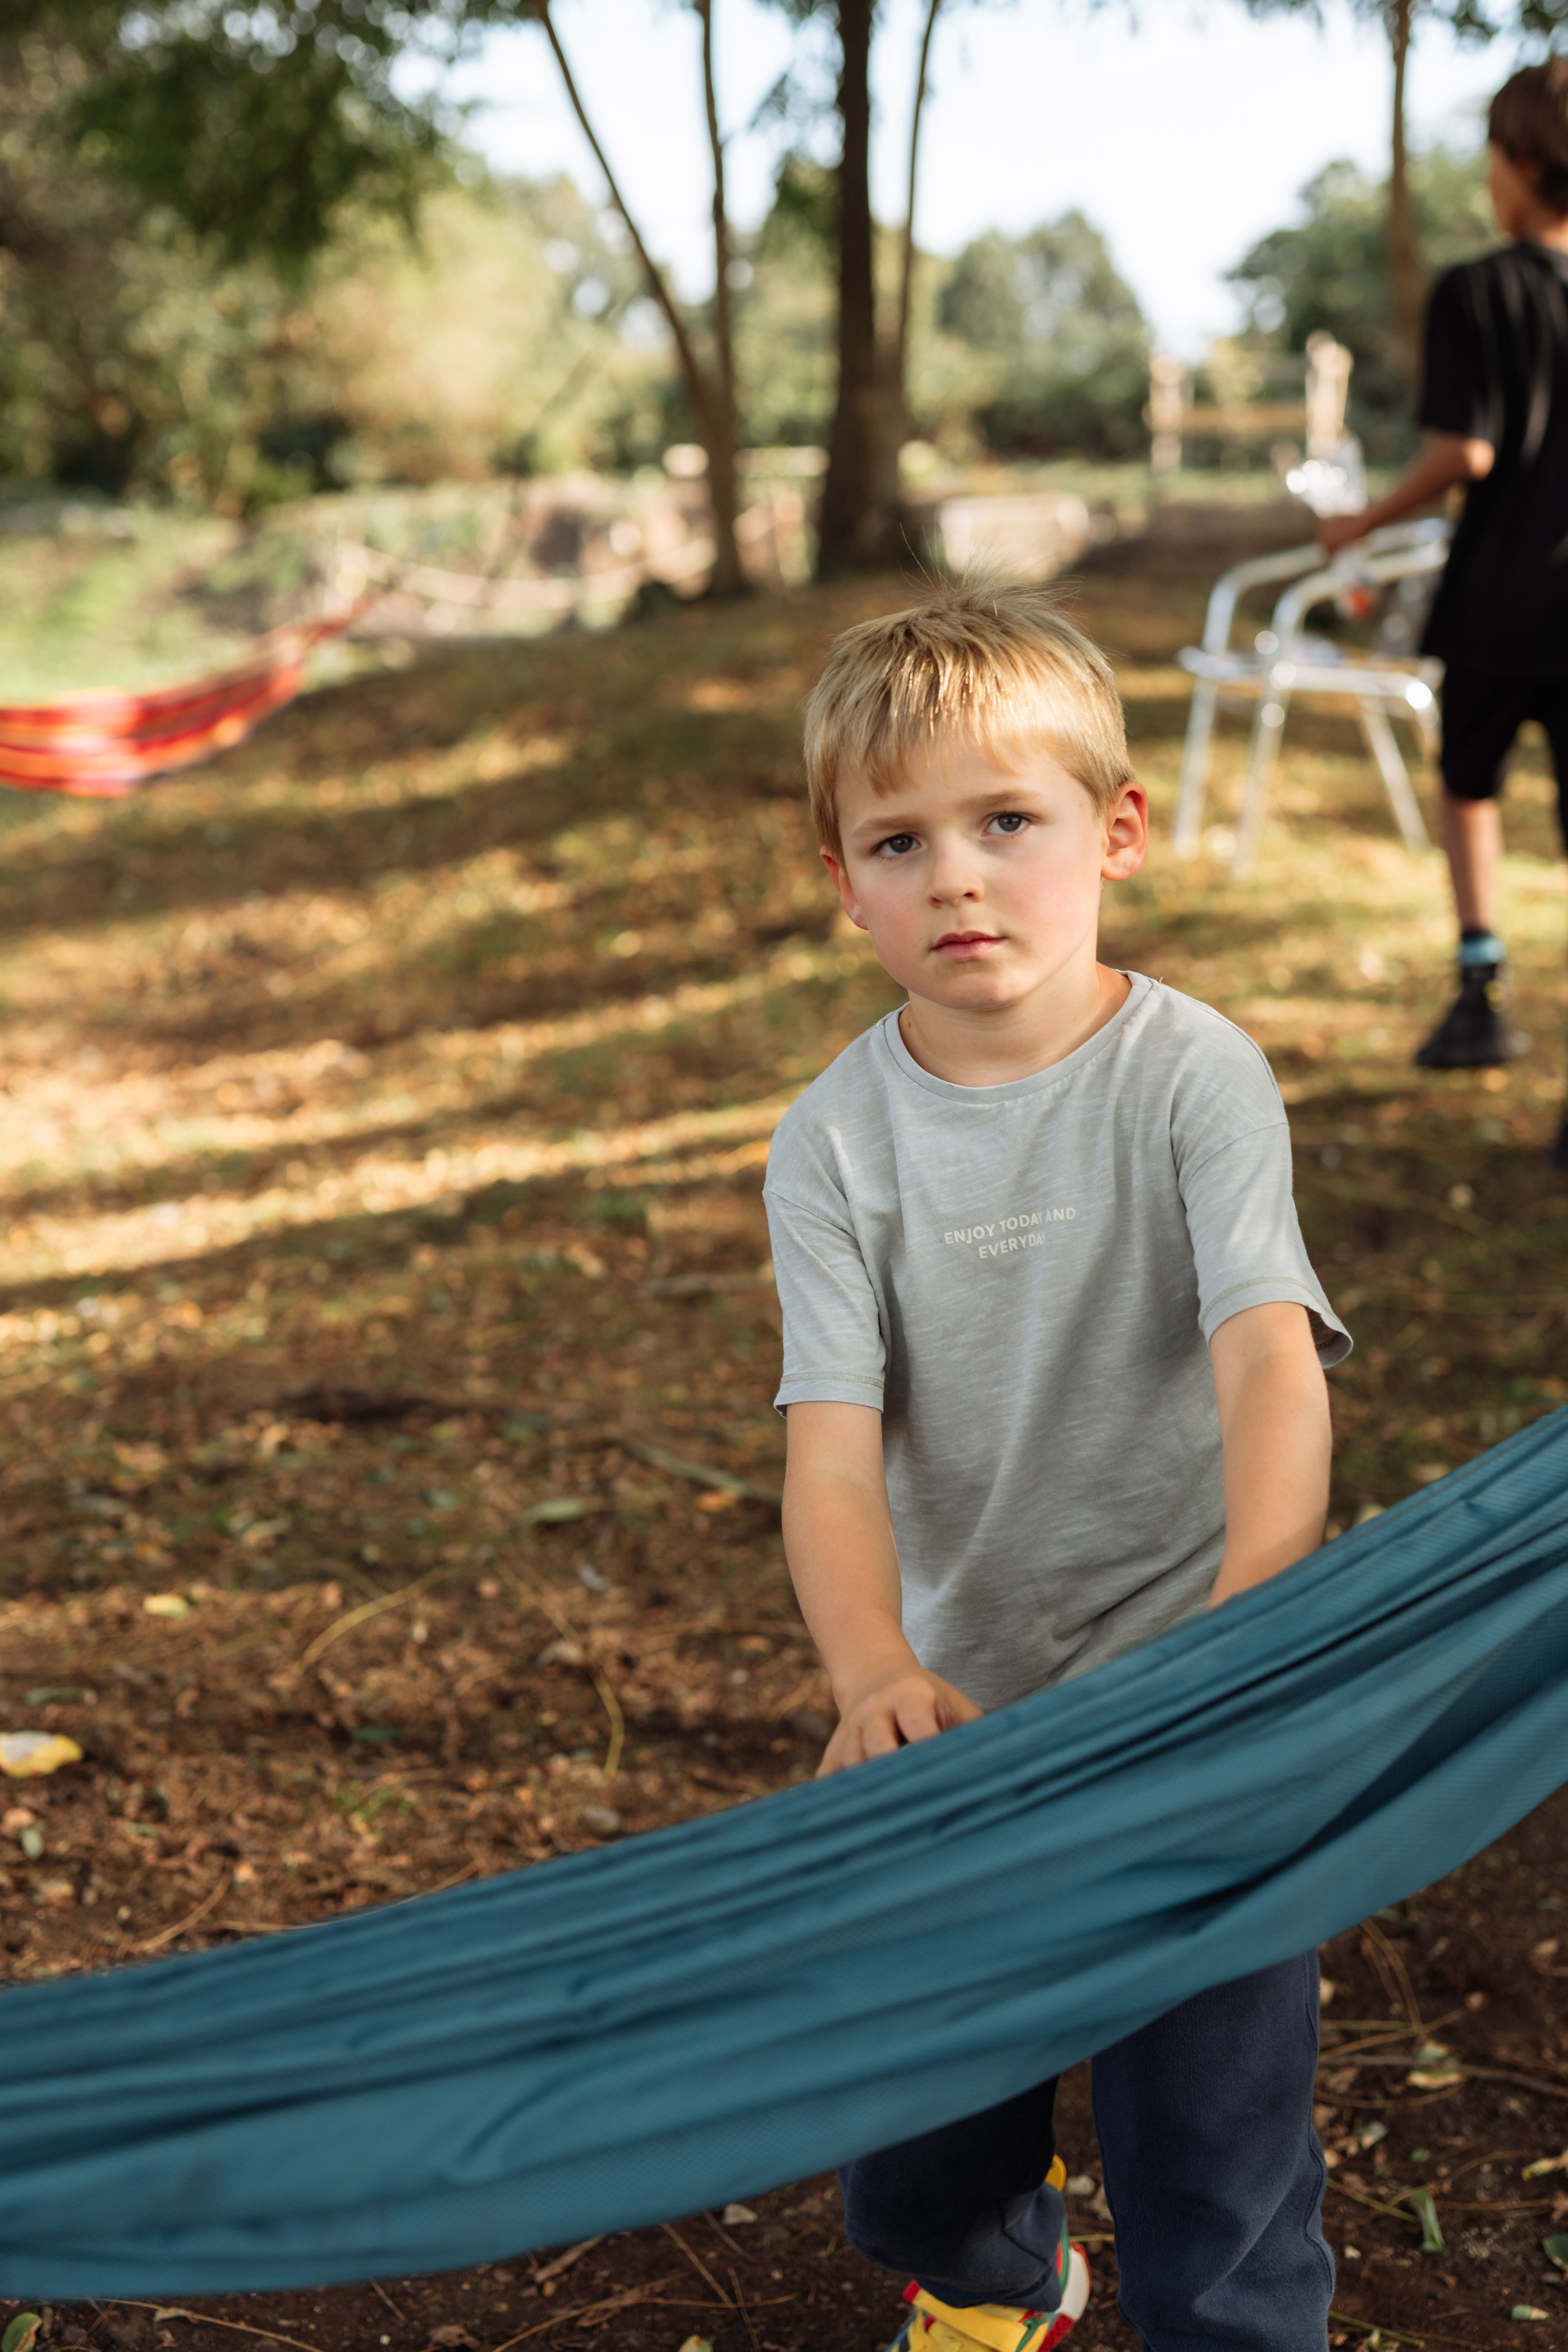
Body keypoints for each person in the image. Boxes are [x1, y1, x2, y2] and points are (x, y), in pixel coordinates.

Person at [763, 579, 1350, 2352]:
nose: (954, 875)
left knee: (1214, 2160)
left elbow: (1267, 1356)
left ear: (1117, 832)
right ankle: (1001, 2276)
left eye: (1004, 823)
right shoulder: (834, 1142)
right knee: (919, 2154)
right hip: (969, 1714)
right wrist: (872, 1671)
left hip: (1197, 1705)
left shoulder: (1193, 1078)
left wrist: (1259, 1616)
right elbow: (833, 1452)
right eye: (898, 840)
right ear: (843, 881)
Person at [1320, 61, 1568, 1173]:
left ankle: (1481, 992)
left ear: (1519, 165)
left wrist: (1363, 519)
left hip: (1503, 602)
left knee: (1470, 784)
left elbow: (1467, 450)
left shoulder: (1476, 291)